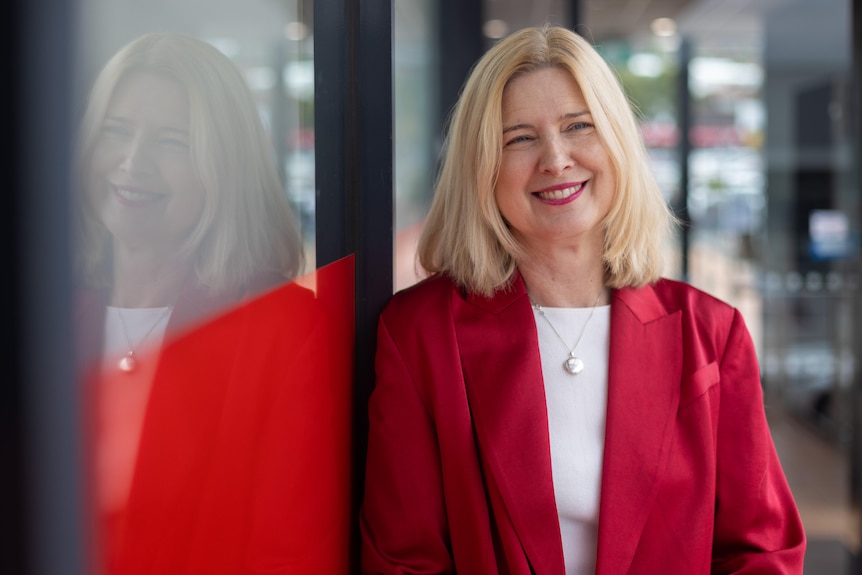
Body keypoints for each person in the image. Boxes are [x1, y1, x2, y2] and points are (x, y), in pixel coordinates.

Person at [360, 25, 806, 575]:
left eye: (579, 127)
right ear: (483, 168)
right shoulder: (420, 334)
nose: (556, 159)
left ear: (617, 143)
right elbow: (403, 560)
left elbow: (763, 551)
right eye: (519, 138)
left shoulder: (711, 332)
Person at [73, 32, 351, 575]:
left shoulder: (283, 329)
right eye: (116, 131)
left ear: (223, 166)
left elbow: (292, 556)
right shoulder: (40, 314)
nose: (133, 163)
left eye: (173, 142)